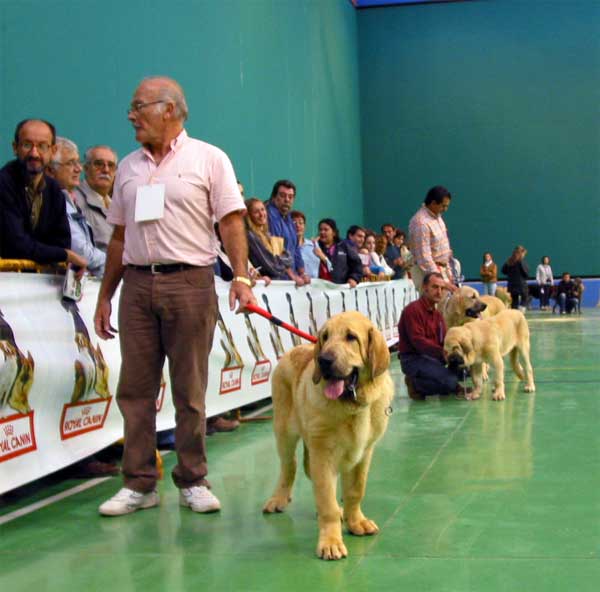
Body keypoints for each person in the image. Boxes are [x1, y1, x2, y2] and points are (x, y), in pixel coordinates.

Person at [94, 76, 255, 517]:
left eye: (138, 106)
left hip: (191, 282)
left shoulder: (209, 158)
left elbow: (231, 222)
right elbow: (118, 237)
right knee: (135, 390)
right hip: (138, 285)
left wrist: (241, 276)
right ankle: (140, 483)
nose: (131, 115)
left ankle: (193, 478)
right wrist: (106, 294)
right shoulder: (128, 167)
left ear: (169, 109)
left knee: (190, 389)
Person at [0, 119, 86, 269]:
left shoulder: (53, 189)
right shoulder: (3, 183)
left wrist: (56, 252)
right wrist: (64, 255)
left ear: (53, 151)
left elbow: (62, 242)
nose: (34, 153)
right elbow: (15, 245)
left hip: (40, 284)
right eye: (27, 145)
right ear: (15, 148)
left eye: (42, 146)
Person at [398, 272, 468, 400]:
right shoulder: (412, 310)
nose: (439, 292)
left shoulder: (438, 316)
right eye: (435, 287)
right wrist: (443, 352)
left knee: (464, 370)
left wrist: (456, 352)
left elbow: (444, 340)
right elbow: (418, 342)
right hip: (413, 359)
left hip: (433, 357)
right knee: (450, 381)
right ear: (425, 288)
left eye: (442, 288)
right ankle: (415, 384)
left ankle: (446, 382)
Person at [46, 138, 106, 276]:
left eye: (78, 162)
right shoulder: (51, 201)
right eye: (70, 163)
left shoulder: (68, 199)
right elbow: (81, 252)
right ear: (50, 170)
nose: (78, 168)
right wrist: (116, 264)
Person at [408, 186, 456, 292]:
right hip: (429, 275)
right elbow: (424, 258)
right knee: (432, 308)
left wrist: (448, 272)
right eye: (443, 206)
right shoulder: (421, 223)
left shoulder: (437, 217)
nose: (445, 209)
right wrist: (440, 281)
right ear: (433, 203)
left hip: (441, 271)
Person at [74, 145, 118, 252]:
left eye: (111, 165)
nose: (106, 170)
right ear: (86, 168)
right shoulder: (75, 199)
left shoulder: (118, 205)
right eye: (99, 164)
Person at [266, 180, 309, 285]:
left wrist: (302, 272)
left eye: (290, 197)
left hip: (290, 280)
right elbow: (276, 249)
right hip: (277, 280)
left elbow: (295, 248)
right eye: (282, 195)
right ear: (274, 197)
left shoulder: (288, 217)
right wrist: (292, 275)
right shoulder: (270, 215)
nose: (287, 200)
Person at [245, 197, 299, 282]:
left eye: (263, 209)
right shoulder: (251, 236)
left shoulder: (268, 235)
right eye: (256, 212)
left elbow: (289, 258)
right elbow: (272, 267)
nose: (261, 214)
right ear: (249, 215)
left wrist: (279, 260)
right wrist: (282, 260)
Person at [317, 218, 363, 287]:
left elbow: (357, 264)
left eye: (326, 230)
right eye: (320, 230)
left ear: (334, 233)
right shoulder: (315, 247)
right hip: (321, 289)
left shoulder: (344, 246)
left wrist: (354, 278)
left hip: (341, 290)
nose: (322, 232)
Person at [291, 210, 324, 279]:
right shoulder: (287, 246)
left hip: (314, 286)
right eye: (294, 223)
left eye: (301, 223)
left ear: (305, 226)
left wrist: (322, 257)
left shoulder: (313, 245)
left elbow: (328, 266)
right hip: (295, 285)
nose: (297, 225)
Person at [502, 245, 529, 311]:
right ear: (521, 253)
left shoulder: (509, 261)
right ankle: (521, 312)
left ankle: (514, 314)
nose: (524, 255)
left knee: (514, 301)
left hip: (511, 284)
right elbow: (525, 272)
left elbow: (503, 271)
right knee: (525, 298)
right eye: (524, 254)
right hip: (521, 284)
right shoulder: (520, 261)